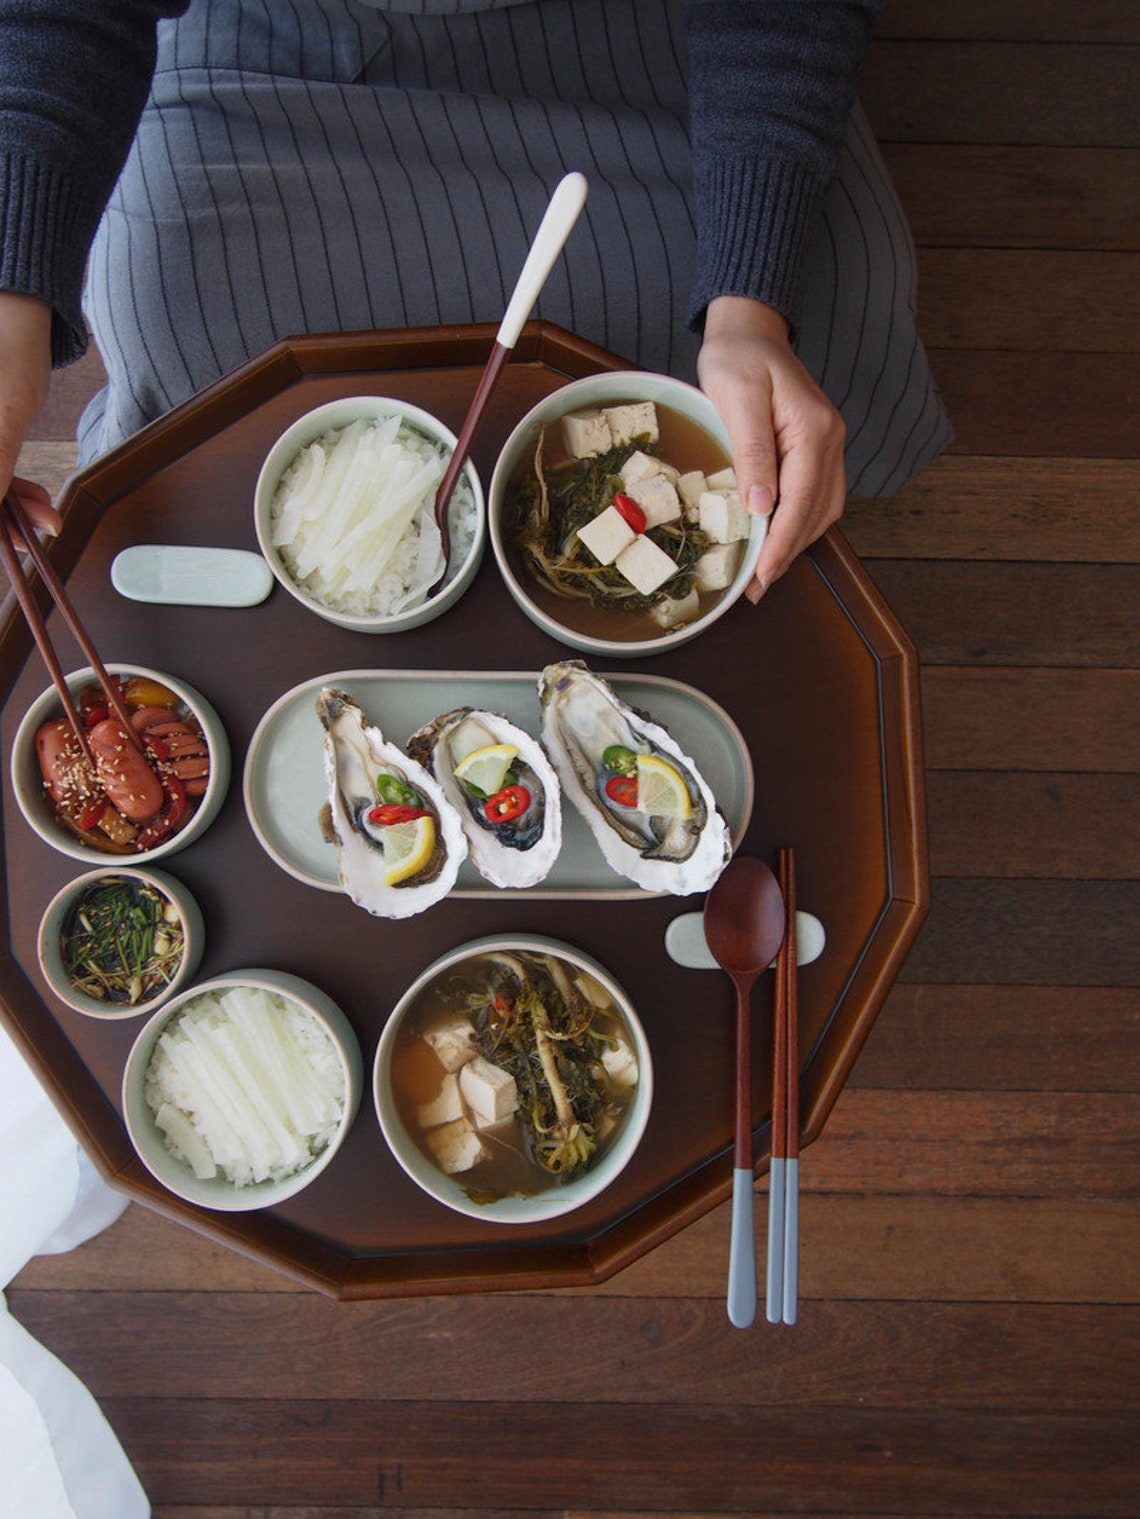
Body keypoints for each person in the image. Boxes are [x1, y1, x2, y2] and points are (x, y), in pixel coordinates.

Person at [0, 0, 951, 602]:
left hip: (654, 34)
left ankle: (753, 511)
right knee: (179, 316)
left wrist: (751, 309)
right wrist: (10, 313)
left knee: (837, 290)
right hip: (274, 52)